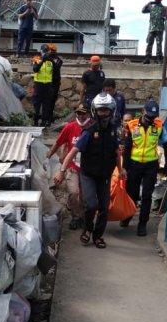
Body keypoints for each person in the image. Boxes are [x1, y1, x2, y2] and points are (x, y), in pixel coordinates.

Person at [54, 93, 126, 249]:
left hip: (105, 175)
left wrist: (121, 170)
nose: (103, 113)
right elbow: (72, 153)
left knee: (104, 207)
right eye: (100, 110)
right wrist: (61, 171)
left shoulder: (114, 131)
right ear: (95, 111)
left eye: (106, 110)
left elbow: (116, 153)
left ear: (112, 110)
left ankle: (98, 236)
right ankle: (87, 229)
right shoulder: (88, 132)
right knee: (91, 205)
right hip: (88, 175)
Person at [121, 99, 167, 236]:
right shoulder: (132, 125)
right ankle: (127, 216)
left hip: (151, 165)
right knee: (132, 193)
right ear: (143, 111)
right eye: (148, 116)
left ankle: (142, 223)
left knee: (147, 195)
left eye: (153, 117)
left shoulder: (159, 126)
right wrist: (124, 167)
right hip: (134, 164)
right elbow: (127, 148)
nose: (151, 119)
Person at [46, 103, 91, 230]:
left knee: (85, 196)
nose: (81, 116)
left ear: (89, 113)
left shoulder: (93, 127)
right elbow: (58, 142)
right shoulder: (70, 127)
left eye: (84, 113)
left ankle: (82, 216)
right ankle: (76, 217)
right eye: (79, 113)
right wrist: (48, 156)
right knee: (74, 192)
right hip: (72, 166)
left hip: (88, 168)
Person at [142, 0, 167, 64]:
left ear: (160, 0)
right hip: (152, 29)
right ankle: (147, 58)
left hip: (159, 29)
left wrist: (166, 26)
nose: (156, 0)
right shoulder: (152, 7)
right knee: (149, 43)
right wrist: (148, 3)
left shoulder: (164, 8)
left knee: (159, 43)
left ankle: (159, 58)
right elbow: (143, 11)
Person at [31, 45, 55, 126]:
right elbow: (35, 69)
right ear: (41, 51)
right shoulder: (36, 59)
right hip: (38, 85)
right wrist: (42, 60)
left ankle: (44, 122)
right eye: (44, 51)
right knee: (37, 104)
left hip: (48, 85)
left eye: (47, 51)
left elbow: (55, 71)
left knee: (46, 104)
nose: (45, 53)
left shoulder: (50, 61)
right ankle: (35, 122)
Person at [46, 43, 64, 125]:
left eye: (53, 51)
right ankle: (46, 118)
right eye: (51, 51)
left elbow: (56, 68)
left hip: (54, 83)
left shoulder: (58, 60)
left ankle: (49, 118)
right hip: (47, 83)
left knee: (52, 101)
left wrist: (51, 60)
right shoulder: (46, 59)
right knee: (47, 101)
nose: (52, 52)